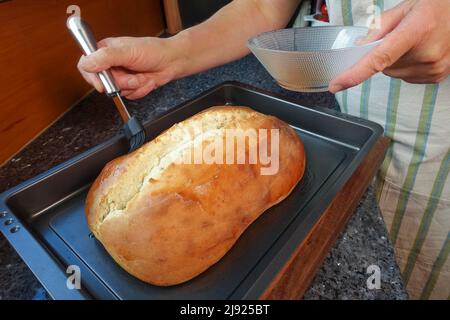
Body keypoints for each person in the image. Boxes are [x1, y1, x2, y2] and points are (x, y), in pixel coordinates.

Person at [77, 0, 450, 299]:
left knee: (416, 270)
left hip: (439, 139)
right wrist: (174, 53)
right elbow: (263, 7)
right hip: (352, 113)